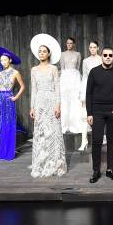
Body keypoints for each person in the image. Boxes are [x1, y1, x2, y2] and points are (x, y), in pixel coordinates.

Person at [86, 46, 113, 183]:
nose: (107, 57)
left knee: (112, 141)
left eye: (110, 55)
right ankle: (96, 171)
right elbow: (89, 93)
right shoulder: (94, 72)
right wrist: (89, 113)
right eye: (105, 55)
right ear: (101, 56)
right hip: (97, 111)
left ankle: (110, 170)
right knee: (96, 141)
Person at [29, 34, 67, 178]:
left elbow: (57, 88)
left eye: (44, 51)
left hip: (51, 101)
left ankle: (55, 163)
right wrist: (32, 107)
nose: (41, 54)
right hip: (39, 102)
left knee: (54, 132)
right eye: (40, 51)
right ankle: (41, 163)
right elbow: (33, 89)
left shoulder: (53, 69)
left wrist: (58, 105)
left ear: (49, 53)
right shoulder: (34, 69)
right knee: (40, 132)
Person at [78, 41, 103, 151]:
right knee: (84, 115)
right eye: (90, 47)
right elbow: (84, 77)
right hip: (88, 88)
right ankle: (84, 141)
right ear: (89, 49)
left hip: (100, 89)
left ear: (98, 48)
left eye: (94, 47)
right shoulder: (85, 61)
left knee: (100, 115)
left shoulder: (101, 59)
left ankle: (101, 138)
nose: (92, 49)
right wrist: (83, 92)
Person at [59, 37, 82, 134]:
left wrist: (75, 75)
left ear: (74, 44)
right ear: (66, 44)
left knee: (75, 99)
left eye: (71, 43)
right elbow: (62, 67)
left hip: (75, 77)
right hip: (65, 77)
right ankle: (64, 124)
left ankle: (75, 124)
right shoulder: (62, 54)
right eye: (67, 43)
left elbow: (78, 67)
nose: (69, 45)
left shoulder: (78, 54)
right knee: (64, 99)